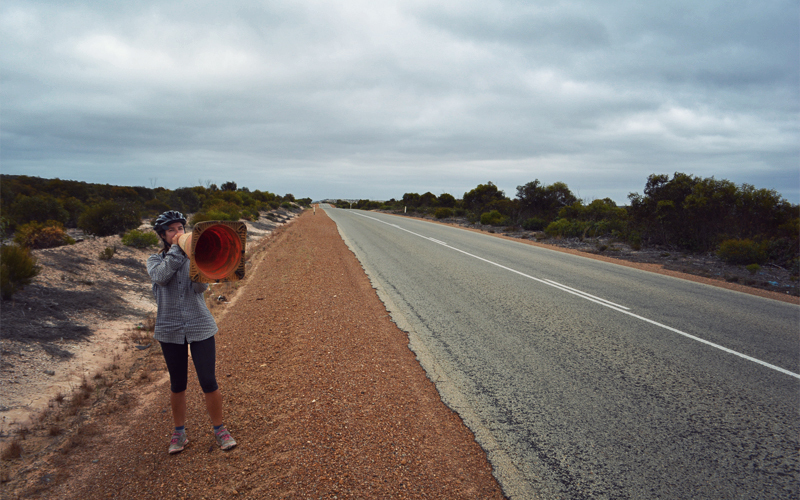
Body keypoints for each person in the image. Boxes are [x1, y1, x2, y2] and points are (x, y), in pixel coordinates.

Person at [147, 210, 237, 454]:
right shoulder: (154, 261)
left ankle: (220, 429)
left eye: (180, 229)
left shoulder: (192, 257)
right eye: (171, 230)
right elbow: (161, 277)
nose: (177, 233)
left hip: (200, 325)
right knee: (178, 384)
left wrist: (198, 259)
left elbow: (200, 288)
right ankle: (179, 433)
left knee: (209, 381)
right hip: (169, 329)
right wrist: (178, 250)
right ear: (163, 235)